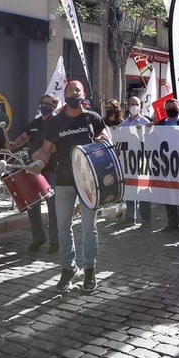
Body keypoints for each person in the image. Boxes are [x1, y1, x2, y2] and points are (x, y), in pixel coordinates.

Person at [27, 80, 111, 293]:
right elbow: (46, 150)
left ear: (83, 94)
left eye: (77, 90)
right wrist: (39, 162)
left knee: (89, 228)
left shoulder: (93, 118)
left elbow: (106, 137)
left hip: (88, 181)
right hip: (64, 181)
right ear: (64, 95)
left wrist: (102, 140)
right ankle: (68, 269)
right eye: (70, 90)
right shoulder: (56, 122)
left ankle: (90, 270)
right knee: (63, 227)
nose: (74, 92)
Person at [7, 94, 60, 253]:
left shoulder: (58, 123)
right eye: (42, 103)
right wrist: (14, 144)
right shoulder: (34, 124)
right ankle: (38, 238)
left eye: (48, 104)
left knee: (53, 206)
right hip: (33, 169)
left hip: (51, 169)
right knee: (32, 204)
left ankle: (55, 241)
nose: (45, 106)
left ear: (54, 106)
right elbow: (23, 137)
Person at [156, 98, 179, 233]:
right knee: (168, 194)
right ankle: (171, 222)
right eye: (169, 107)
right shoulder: (160, 124)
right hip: (166, 163)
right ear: (165, 109)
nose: (171, 108)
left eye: (174, 106)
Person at [118, 96, 152, 225]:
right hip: (127, 161)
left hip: (142, 160)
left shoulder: (145, 122)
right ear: (127, 106)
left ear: (140, 106)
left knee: (143, 189)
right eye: (131, 104)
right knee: (130, 188)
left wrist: (146, 130)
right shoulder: (124, 124)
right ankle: (130, 216)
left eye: (136, 104)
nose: (134, 106)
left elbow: (151, 141)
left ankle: (145, 218)